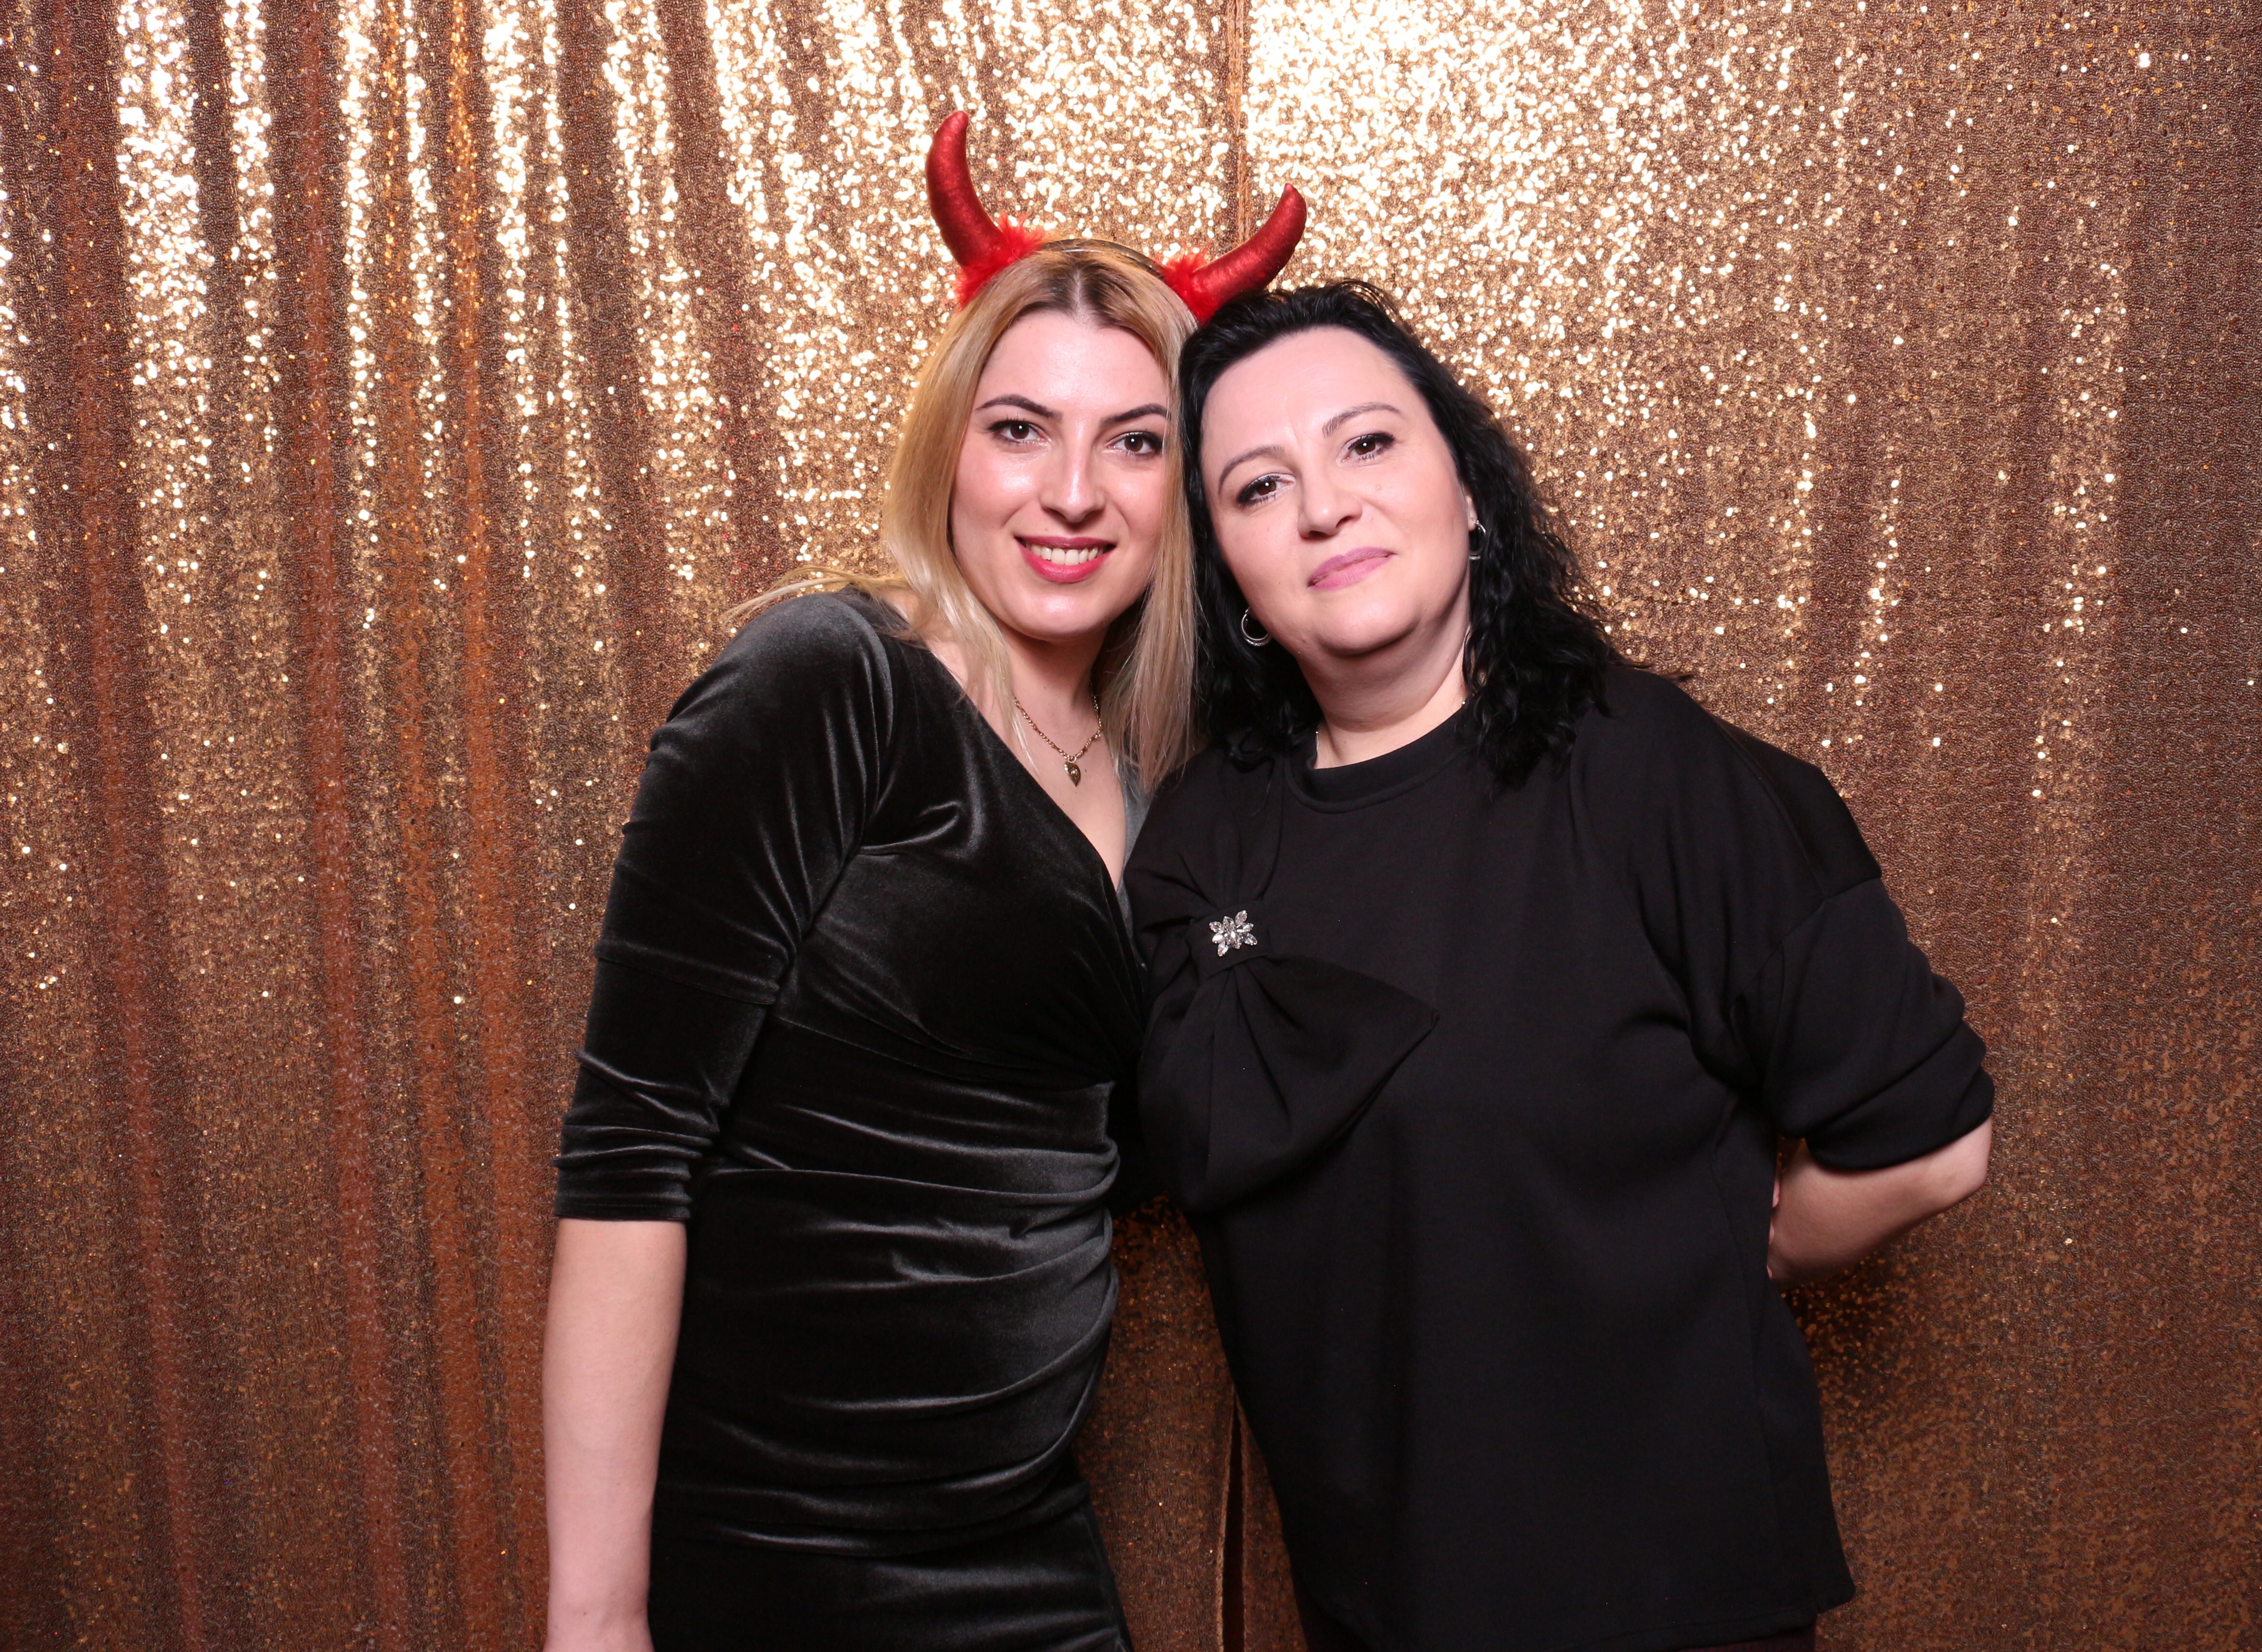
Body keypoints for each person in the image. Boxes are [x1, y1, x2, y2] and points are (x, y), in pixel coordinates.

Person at [1127, 281, 1995, 1652]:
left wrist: (1743, 1247)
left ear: (1469, 489)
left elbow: (1934, 1141)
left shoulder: (1652, 775)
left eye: (1367, 444)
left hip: (1663, 1599)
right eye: (1257, 486)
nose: (1323, 507)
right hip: (1375, 1601)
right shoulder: (1200, 836)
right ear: (1224, 567)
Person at [539, 115, 1303, 1652]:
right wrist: (596, 1616)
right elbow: (631, 1154)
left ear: (1188, 486)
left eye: (1135, 442)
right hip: (779, 1543)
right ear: (950, 443)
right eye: (1021, 429)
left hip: (1022, 1541)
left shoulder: (1171, 783)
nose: (1073, 491)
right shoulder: (829, 681)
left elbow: (1128, 1141)